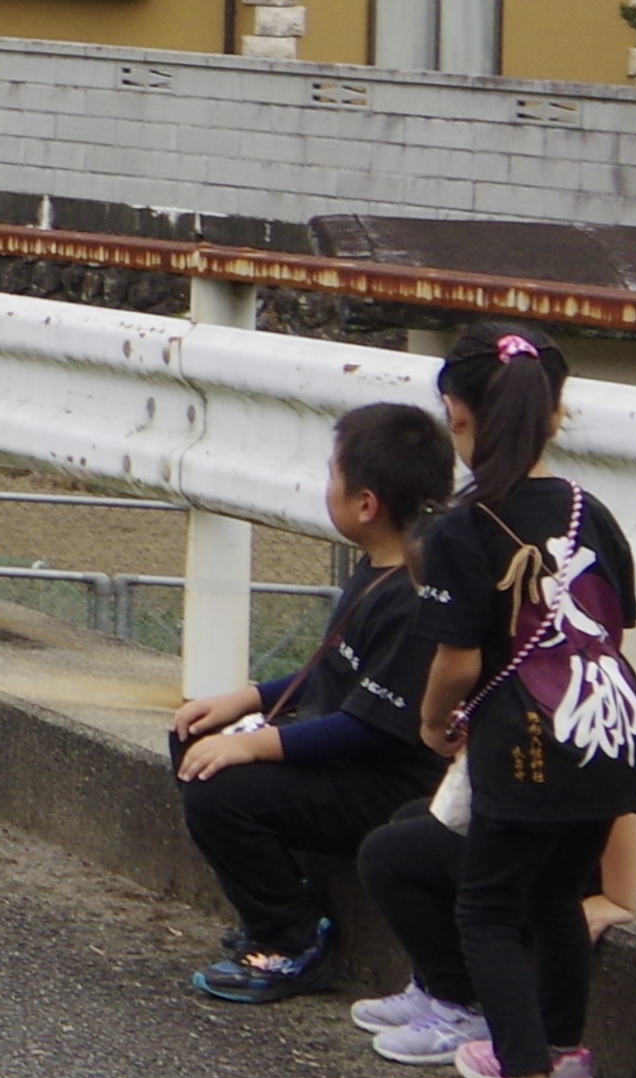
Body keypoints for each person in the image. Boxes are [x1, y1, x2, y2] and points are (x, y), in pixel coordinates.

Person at [354, 327, 636, 1078]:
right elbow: (612, 624)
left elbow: (457, 657)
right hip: (613, 726)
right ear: (553, 418)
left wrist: (431, 722)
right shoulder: (585, 509)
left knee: (487, 906)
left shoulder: (460, 528)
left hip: (527, 736)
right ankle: (563, 1062)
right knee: (555, 896)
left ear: (457, 416)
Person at [164, 401, 452, 1000]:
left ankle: (290, 941)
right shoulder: (377, 566)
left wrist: (254, 747)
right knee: (191, 736)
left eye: (333, 476)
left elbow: (369, 725)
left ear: (366, 504)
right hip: (347, 749)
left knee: (219, 791)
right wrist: (243, 699)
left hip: (388, 780)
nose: (327, 487)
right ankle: (276, 904)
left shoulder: (412, 598)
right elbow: (334, 670)